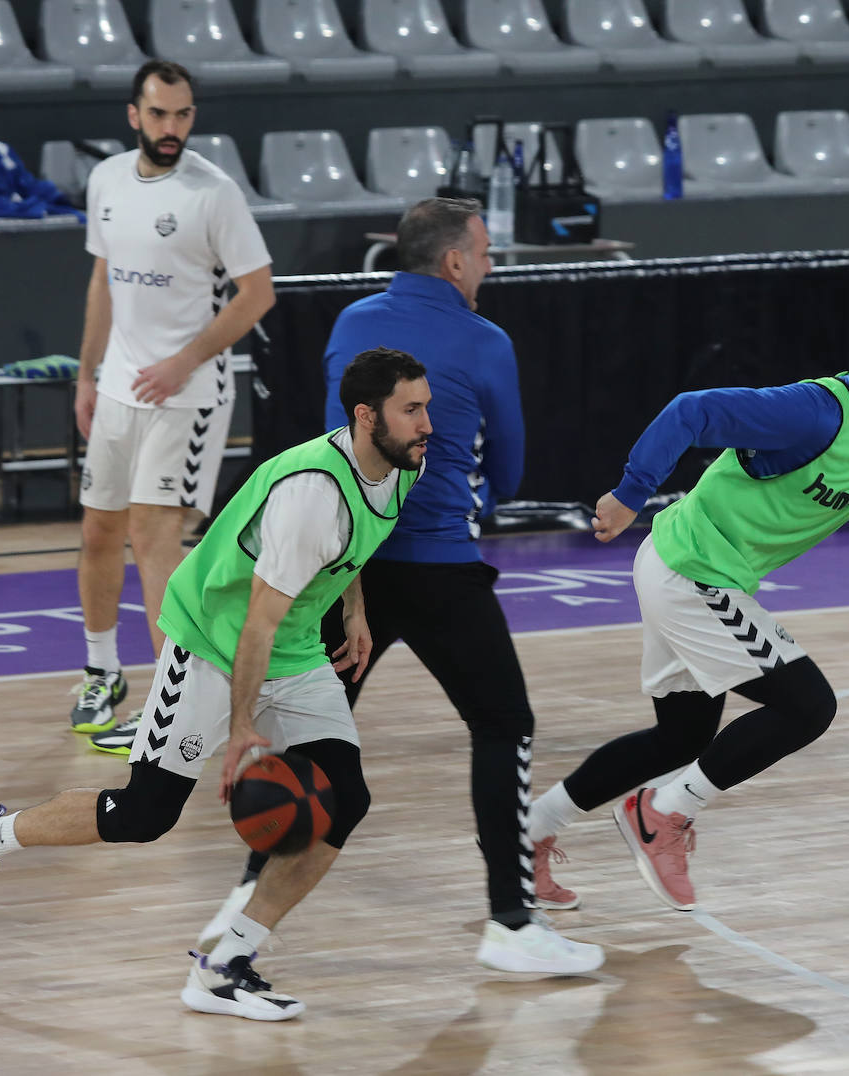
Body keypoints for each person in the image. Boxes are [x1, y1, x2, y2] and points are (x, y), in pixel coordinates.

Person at [0, 348, 432, 1021]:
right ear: (367, 417)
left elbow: (347, 547)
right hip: (215, 642)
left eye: (426, 406)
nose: (427, 423)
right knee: (144, 815)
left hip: (294, 646)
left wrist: (354, 606)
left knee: (346, 799)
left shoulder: (397, 465)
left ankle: (225, 966)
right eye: (412, 409)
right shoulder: (312, 492)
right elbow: (255, 624)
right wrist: (244, 727)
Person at [183, 197, 604, 976]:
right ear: (453, 261)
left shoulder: (351, 328)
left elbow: (333, 450)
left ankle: (244, 903)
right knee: (502, 722)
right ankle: (512, 924)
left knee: (312, 743)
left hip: (353, 570)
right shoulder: (486, 341)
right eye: (482, 252)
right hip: (441, 565)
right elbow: (508, 471)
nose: (487, 265)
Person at [527, 294, 849, 912]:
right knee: (808, 707)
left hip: (689, 570)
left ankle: (524, 832)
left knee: (679, 739)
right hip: (691, 573)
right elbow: (690, 411)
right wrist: (631, 490)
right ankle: (662, 812)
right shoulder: (814, 413)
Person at [68, 59, 276, 741]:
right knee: (99, 531)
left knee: (155, 539)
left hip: (189, 395)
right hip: (121, 389)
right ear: (134, 115)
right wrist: (88, 375)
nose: (172, 128)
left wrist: (183, 360)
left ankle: (170, 707)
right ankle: (103, 673)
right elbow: (104, 280)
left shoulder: (212, 194)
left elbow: (258, 294)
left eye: (183, 115)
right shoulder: (105, 181)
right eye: (159, 114)